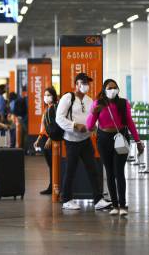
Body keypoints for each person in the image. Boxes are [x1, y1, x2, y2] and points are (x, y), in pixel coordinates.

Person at [87, 79, 144, 216]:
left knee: (119, 171)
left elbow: (130, 122)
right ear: (104, 90)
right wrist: (94, 112)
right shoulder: (98, 103)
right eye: (109, 87)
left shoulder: (123, 103)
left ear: (118, 89)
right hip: (103, 140)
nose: (112, 90)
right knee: (110, 173)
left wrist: (138, 141)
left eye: (114, 87)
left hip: (121, 138)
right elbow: (89, 126)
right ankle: (115, 204)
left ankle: (123, 205)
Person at [56, 73, 111, 211]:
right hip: (71, 140)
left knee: (93, 169)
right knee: (70, 170)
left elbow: (93, 118)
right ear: (77, 84)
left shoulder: (89, 100)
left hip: (85, 140)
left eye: (87, 82)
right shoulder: (68, 98)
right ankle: (67, 199)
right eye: (83, 82)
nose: (86, 85)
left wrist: (94, 127)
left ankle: (98, 199)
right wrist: (75, 125)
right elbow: (59, 118)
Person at [33, 87, 58, 195]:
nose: (46, 97)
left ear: (54, 96)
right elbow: (43, 127)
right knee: (50, 165)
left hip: (51, 139)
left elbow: (56, 126)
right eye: (45, 95)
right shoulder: (47, 109)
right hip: (45, 139)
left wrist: (50, 138)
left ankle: (54, 186)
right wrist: (38, 138)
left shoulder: (55, 108)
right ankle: (51, 186)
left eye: (49, 95)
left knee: (53, 164)